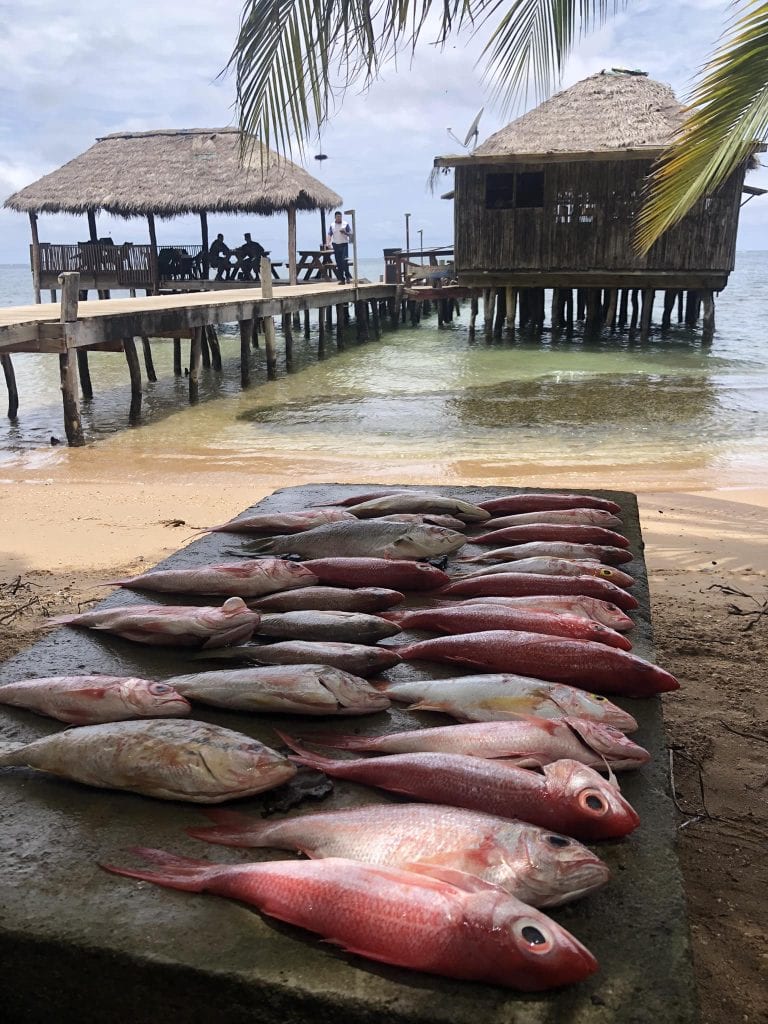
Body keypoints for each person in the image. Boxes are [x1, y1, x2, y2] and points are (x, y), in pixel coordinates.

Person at [327, 211, 352, 283]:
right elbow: (329, 234)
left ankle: (347, 276)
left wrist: (345, 232)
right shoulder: (332, 225)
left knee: (344, 261)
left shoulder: (345, 224)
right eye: (338, 217)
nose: (339, 218)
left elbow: (351, 234)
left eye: (340, 217)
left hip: (344, 244)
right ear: (335, 217)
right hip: (336, 245)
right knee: (338, 263)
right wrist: (328, 243)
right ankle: (341, 279)